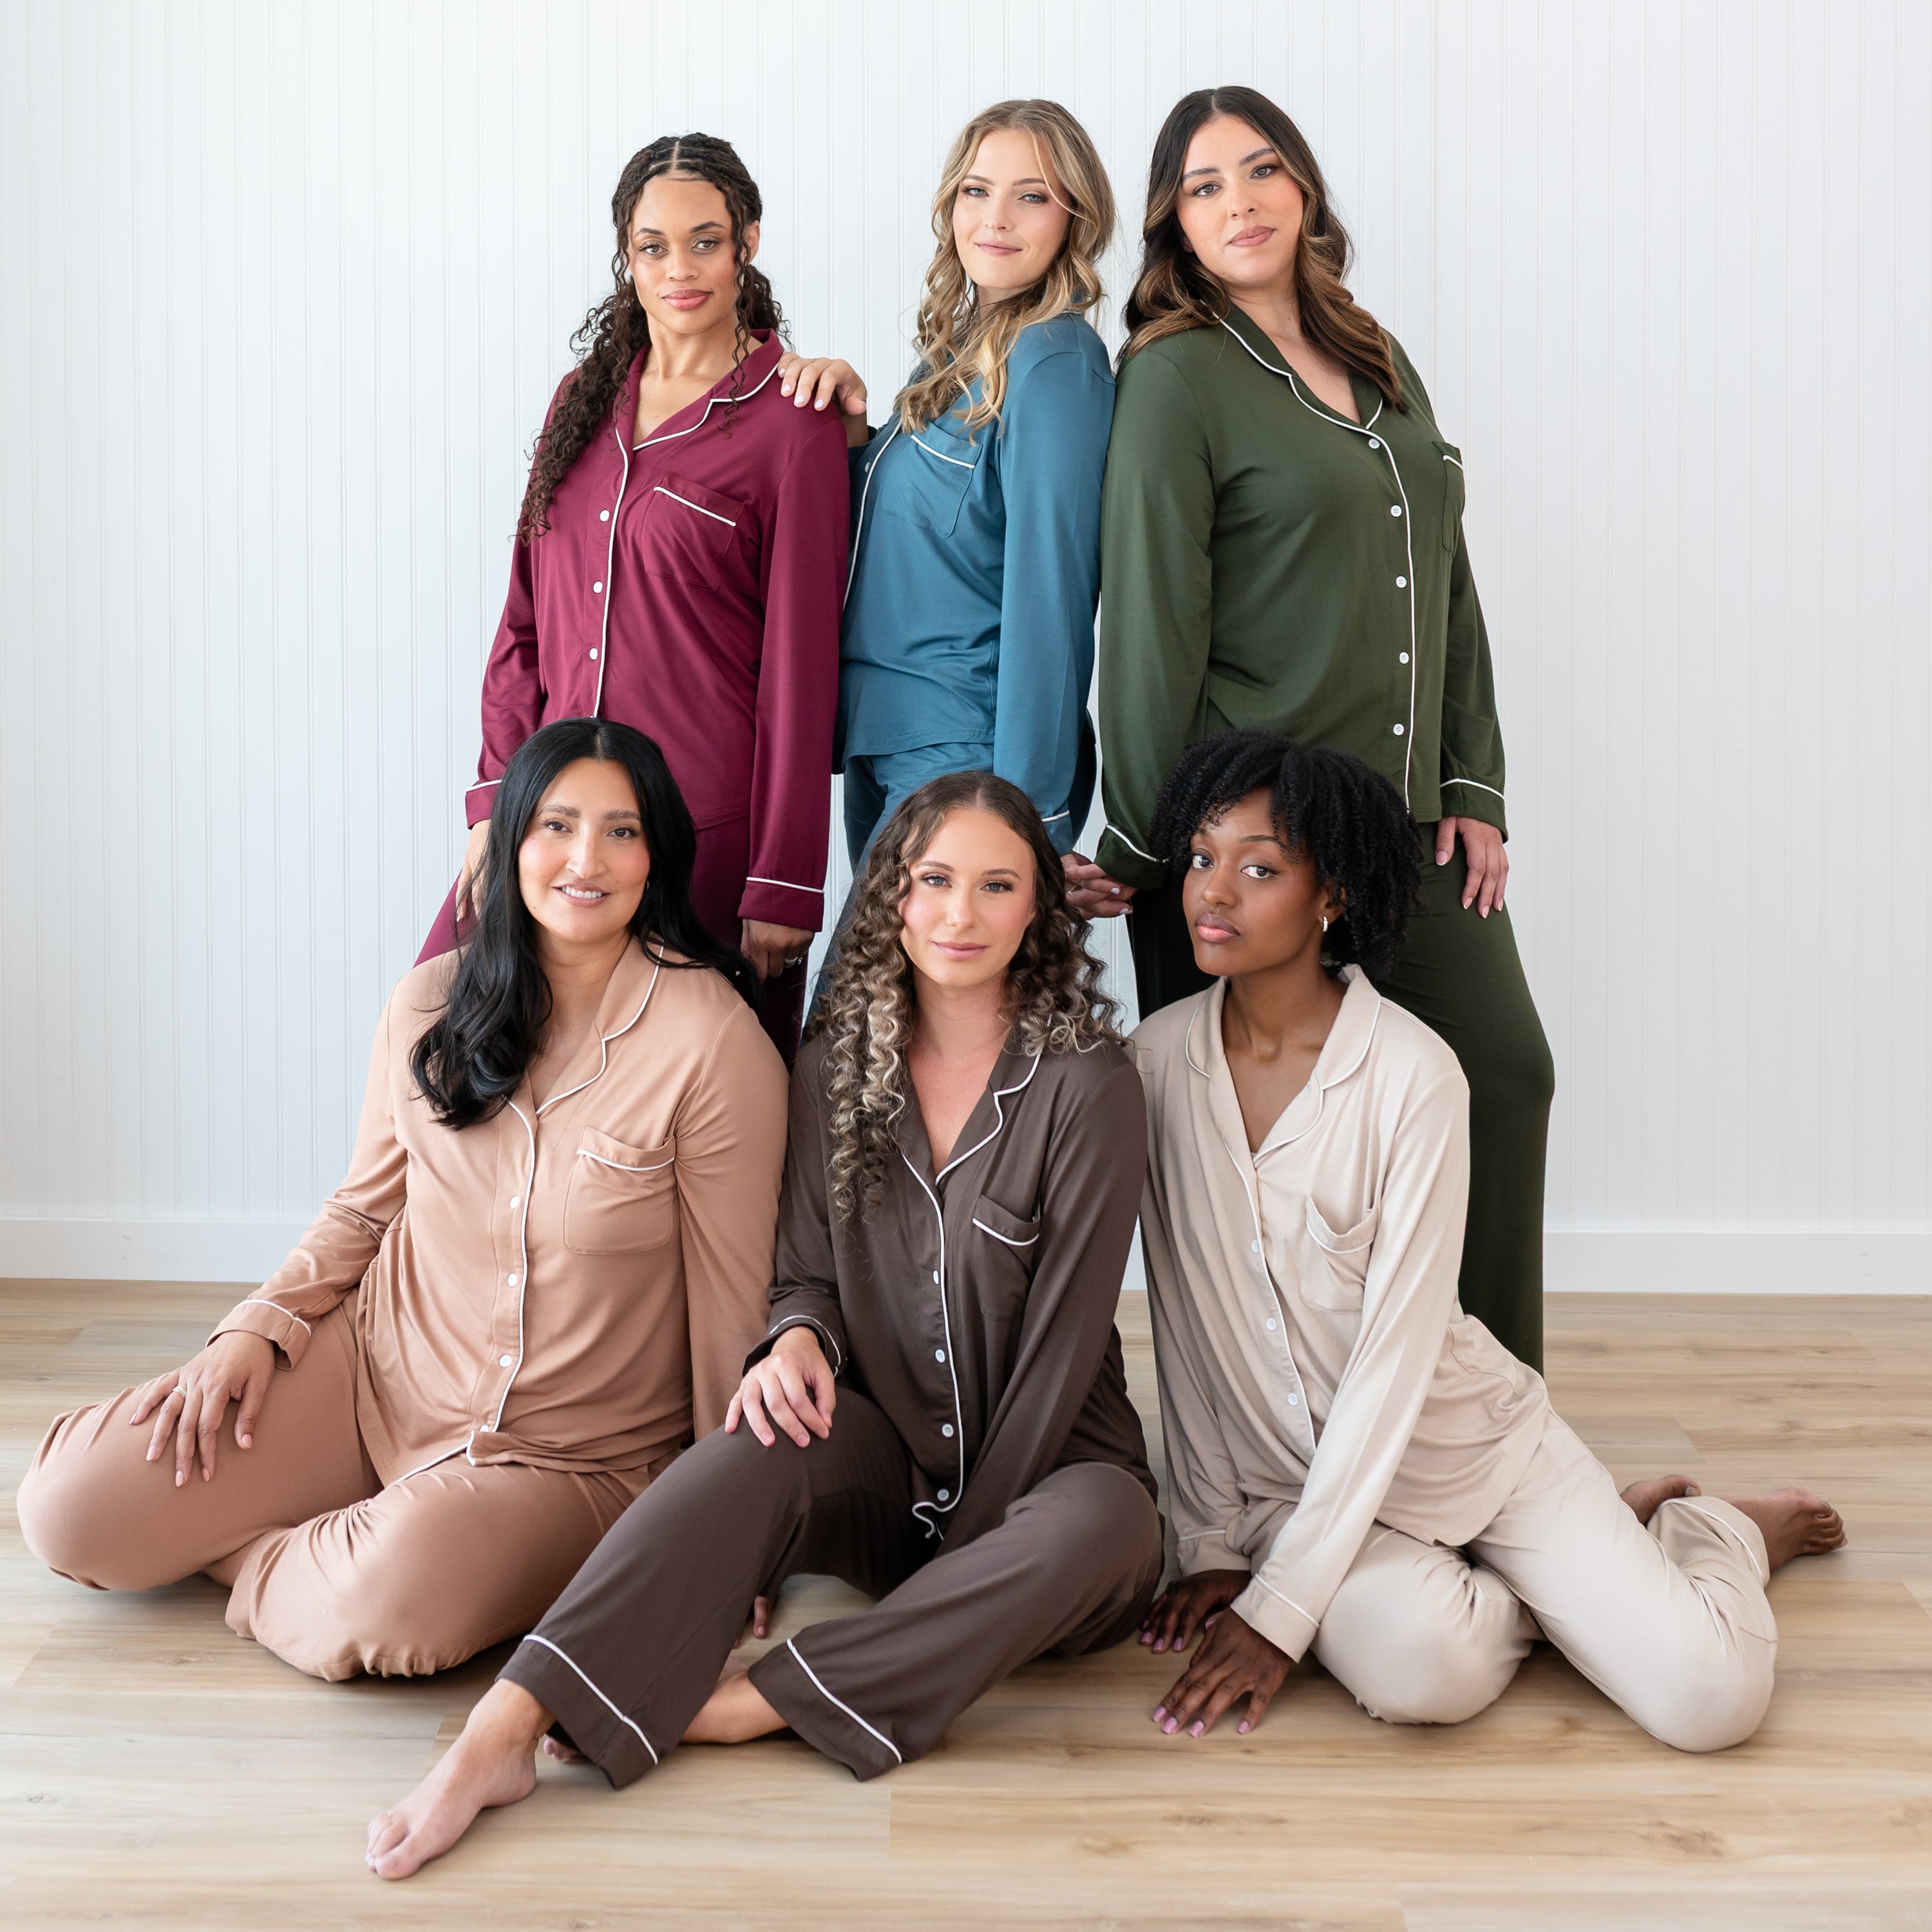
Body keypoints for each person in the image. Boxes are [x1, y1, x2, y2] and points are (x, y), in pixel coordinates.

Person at [364, 772, 1162, 1880]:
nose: (960, 915)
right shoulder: (832, 1066)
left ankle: (761, 1702)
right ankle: (506, 1727)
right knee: (755, 1439)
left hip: (1048, 1490)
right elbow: (804, 1280)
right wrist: (795, 1343)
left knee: (1111, 1524)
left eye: (996, 886)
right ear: (891, 893)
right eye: (933, 881)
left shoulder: (1091, 1085)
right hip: (893, 1466)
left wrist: (960, 1569)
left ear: (1040, 909)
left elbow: (1064, 1356)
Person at [18, 719, 788, 1682]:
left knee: (393, 1604)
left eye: (622, 831)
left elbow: (733, 1304)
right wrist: (252, 1333)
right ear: (507, 842)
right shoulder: (428, 1003)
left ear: (658, 853)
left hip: (569, 1460)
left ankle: (266, 1556)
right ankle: (330, 1540)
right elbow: (361, 1209)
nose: (586, 859)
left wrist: (726, 1524)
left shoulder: (715, 1043)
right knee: (70, 1510)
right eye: (555, 824)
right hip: (376, 1382)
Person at [1132, 728, 1846, 1752]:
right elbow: (1182, 1315)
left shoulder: (1414, 1077)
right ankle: (1594, 1569)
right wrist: (1207, 1540)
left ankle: (1709, 1531)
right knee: (1427, 1670)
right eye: (1202, 860)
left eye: (1259, 869)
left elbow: (1396, 1355)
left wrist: (1278, 1614)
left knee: (1710, 1702)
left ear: (1329, 894)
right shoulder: (1154, 1066)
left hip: (1478, 1454)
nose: (1213, 893)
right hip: (1291, 1493)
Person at [1075, 86, 1553, 1367]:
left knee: (1500, 1075)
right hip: (1246, 836)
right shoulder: (1174, 379)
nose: (1241, 200)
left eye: (1263, 170)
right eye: (1206, 183)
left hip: (1400, 826)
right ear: (1176, 221)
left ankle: (1493, 1423)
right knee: (1241, 1149)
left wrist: (1474, 780)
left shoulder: (1380, 360)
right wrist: (1144, 844)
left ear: (1305, 192)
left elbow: (1447, 575)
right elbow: (1151, 626)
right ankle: (1264, 1454)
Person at [422, 133, 850, 1057]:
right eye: (653, 247)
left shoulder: (793, 421)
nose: (680, 269)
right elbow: (523, 625)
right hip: (552, 824)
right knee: (448, 1038)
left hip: (702, 836)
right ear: (627, 254)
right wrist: (498, 803)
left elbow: (802, 671)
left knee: (705, 1108)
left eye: (706, 241)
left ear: (750, 244)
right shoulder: (581, 402)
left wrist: (782, 880)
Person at [779, 99, 1116, 866]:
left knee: (863, 990)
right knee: (876, 990)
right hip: (882, 738)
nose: (996, 218)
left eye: (1031, 195)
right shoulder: (955, 359)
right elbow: (908, 535)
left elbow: (1053, 594)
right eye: (976, 190)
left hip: (964, 761)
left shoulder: (1053, 361)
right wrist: (850, 426)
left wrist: (1030, 821)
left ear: (1074, 218)